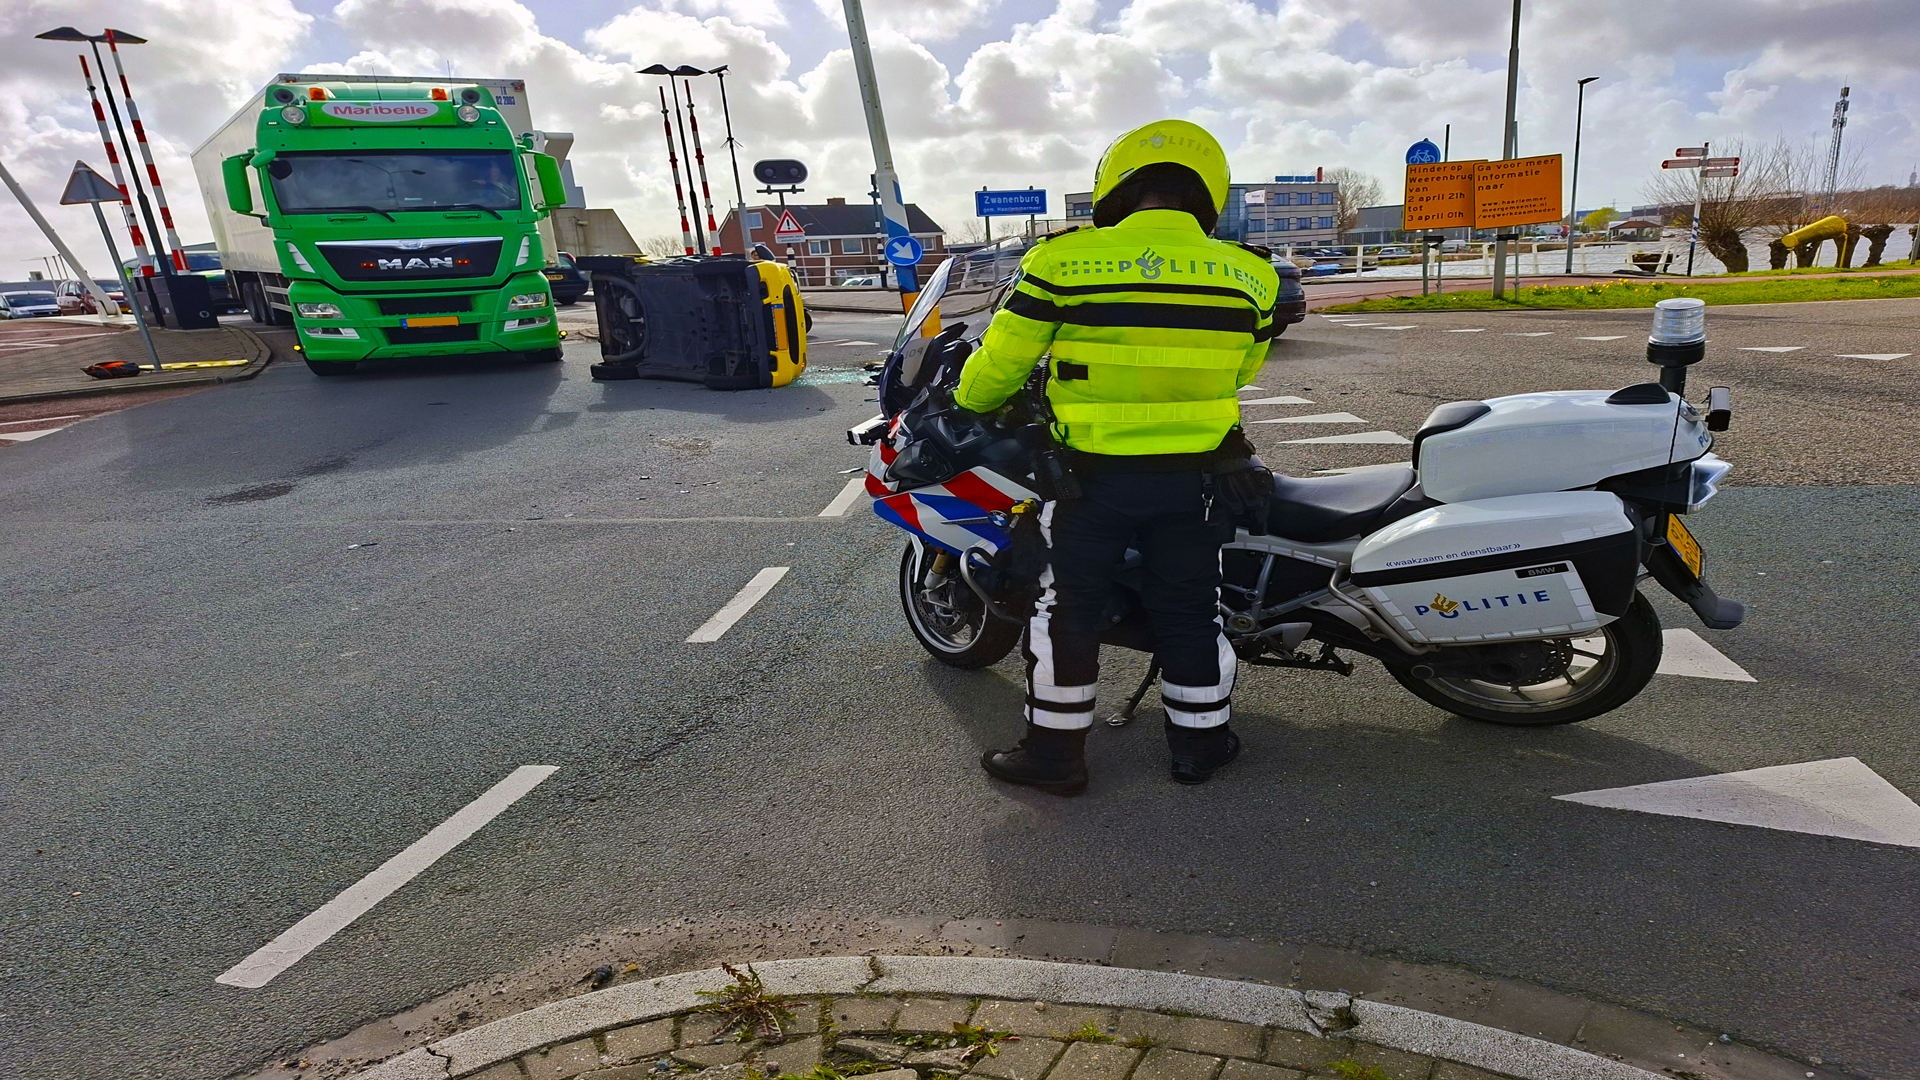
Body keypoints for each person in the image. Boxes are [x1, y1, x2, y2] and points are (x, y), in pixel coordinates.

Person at [953, 119, 1280, 795]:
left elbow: (997, 372)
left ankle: (1054, 757)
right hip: (1196, 483)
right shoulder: (1253, 275)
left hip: (1086, 487)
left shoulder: (1062, 262)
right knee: (1190, 609)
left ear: (1118, 185)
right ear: (1208, 190)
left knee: (1064, 610)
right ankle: (1201, 746)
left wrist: (972, 396)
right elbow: (1240, 372)